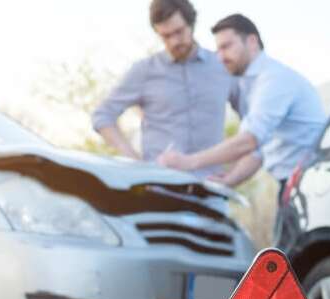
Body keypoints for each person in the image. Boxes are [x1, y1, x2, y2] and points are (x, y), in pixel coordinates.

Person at [158, 13, 326, 192]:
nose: (220, 57)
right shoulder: (253, 85)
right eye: (218, 50)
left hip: (312, 183)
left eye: (226, 46)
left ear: (252, 42)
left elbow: (248, 141)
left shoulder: (274, 80)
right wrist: (230, 179)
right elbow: (259, 150)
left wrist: (188, 162)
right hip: (295, 183)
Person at [91, 0, 235, 177]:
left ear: (191, 24)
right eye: (166, 36)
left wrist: (235, 172)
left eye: (179, 32)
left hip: (210, 189)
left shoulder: (222, 67)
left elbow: (253, 122)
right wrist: (135, 163)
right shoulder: (144, 71)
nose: (174, 41)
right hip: (158, 188)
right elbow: (103, 115)